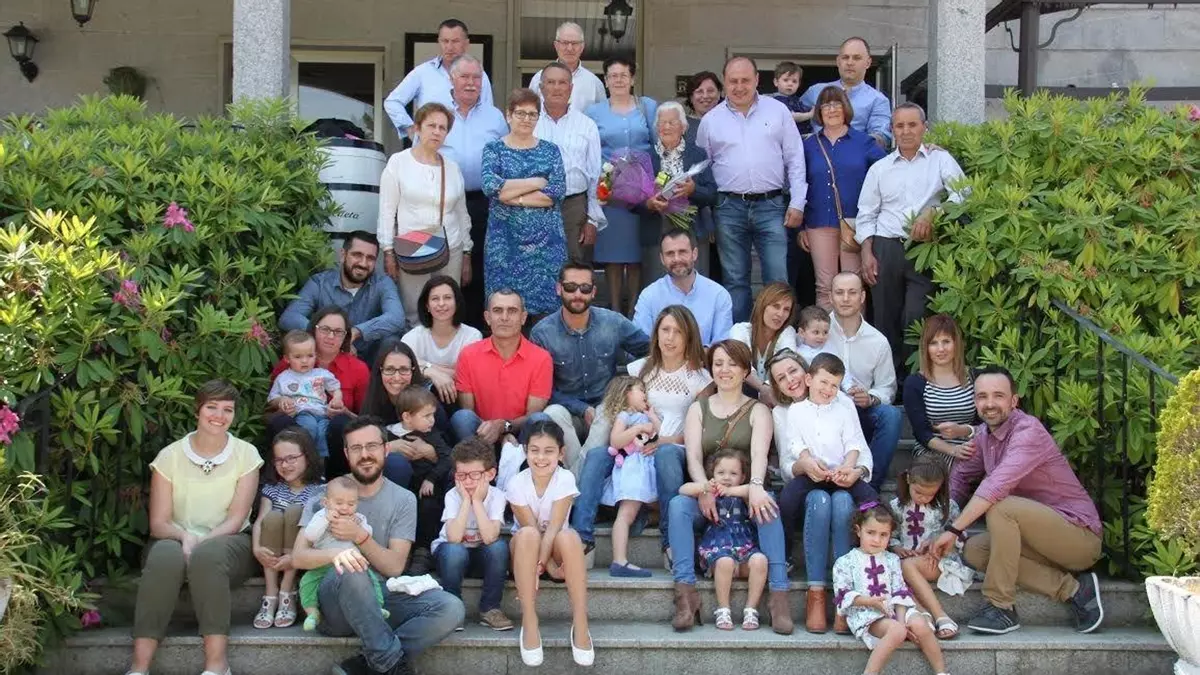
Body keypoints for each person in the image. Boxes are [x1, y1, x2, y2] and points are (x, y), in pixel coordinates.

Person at [931, 366, 1104, 636]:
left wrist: (953, 531)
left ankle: (1001, 605)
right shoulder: (985, 436)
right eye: (982, 396)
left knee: (1001, 506)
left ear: (1014, 401)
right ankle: (1074, 590)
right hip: (1036, 541)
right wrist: (941, 524)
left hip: (1078, 538)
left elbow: (994, 487)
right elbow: (961, 478)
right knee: (974, 550)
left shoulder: (1028, 431)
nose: (989, 404)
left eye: (998, 396)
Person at [292, 416, 464, 675]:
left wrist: (360, 537)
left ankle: (370, 663)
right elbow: (298, 557)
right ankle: (391, 665)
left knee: (451, 608)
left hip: (380, 597)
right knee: (351, 568)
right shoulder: (325, 496)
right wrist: (340, 553)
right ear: (346, 454)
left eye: (371, 446)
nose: (365, 455)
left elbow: (394, 567)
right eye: (356, 448)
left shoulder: (403, 499)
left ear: (385, 449)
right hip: (333, 602)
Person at [125, 380, 262, 675]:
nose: (219, 415)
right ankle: (139, 667)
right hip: (174, 539)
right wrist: (185, 536)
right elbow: (158, 524)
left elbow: (235, 519)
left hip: (229, 542)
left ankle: (217, 665)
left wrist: (200, 543)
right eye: (212, 407)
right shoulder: (170, 456)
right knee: (164, 557)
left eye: (228, 409)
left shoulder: (246, 454)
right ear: (197, 410)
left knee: (208, 557)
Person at [667, 340, 792, 634]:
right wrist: (703, 488)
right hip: (709, 492)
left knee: (767, 503)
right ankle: (685, 594)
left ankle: (779, 597)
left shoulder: (758, 410)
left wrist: (756, 486)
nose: (725, 370)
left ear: (746, 370)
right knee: (677, 505)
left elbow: (759, 454)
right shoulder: (698, 408)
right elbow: (693, 456)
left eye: (733, 364)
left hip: (744, 492)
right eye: (719, 363)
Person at [572, 305, 712, 568]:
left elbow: (702, 430)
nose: (670, 338)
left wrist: (665, 441)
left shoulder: (700, 378)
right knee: (597, 455)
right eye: (665, 330)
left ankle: (669, 541)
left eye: (678, 332)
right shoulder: (639, 369)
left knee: (666, 454)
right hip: (634, 448)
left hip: (675, 449)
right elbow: (617, 410)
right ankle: (583, 537)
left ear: (689, 337)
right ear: (656, 334)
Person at [857, 103, 967, 374]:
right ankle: (888, 382)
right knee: (885, 318)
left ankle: (915, 381)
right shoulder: (880, 168)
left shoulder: (940, 160)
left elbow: (964, 193)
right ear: (892, 130)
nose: (906, 131)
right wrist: (866, 252)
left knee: (917, 317)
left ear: (924, 128)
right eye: (899, 126)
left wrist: (934, 212)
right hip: (886, 248)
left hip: (924, 249)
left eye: (912, 125)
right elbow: (866, 213)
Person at [696, 56, 806, 323]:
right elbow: (701, 169)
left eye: (745, 80)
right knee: (734, 280)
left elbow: (795, 157)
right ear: (725, 83)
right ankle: (739, 340)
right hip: (728, 207)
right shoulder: (711, 120)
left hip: (772, 206)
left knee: (777, 279)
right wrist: (708, 215)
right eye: (733, 81)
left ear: (757, 80)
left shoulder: (778, 111)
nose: (739, 87)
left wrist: (797, 202)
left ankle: (779, 339)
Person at [777, 353, 879, 633]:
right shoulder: (796, 411)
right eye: (824, 383)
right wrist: (808, 461)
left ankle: (878, 548)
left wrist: (849, 468)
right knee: (787, 498)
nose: (828, 390)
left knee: (871, 499)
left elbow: (854, 442)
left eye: (834, 385)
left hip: (840, 475)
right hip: (813, 474)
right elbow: (795, 443)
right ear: (809, 379)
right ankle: (786, 553)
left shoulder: (843, 409)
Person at [532, 262, 650, 470]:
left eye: (585, 288)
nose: (578, 294)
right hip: (568, 411)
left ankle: (574, 480)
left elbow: (649, 349)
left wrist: (632, 385)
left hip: (606, 410)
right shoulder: (542, 333)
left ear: (594, 292)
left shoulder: (612, 322)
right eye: (570, 287)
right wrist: (582, 409)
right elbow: (543, 389)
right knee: (552, 413)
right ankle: (583, 478)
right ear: (559, 288)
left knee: (606, 411)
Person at [506, 421, 593, 667]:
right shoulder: (516, 483)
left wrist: (544, 566)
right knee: (528, 534)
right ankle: (529, 620)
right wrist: (546, 568)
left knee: (569, 536)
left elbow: (554, 527)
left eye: (549, 451)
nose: (541, 457)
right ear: (526, 451)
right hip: (525, 551)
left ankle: (581, 622)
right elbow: (533, 529)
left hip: (554, 548)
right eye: (534, 450)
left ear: (561, 453)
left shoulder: (565, 478)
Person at [378, 102, 473, 326]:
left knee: (447, 310)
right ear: (417, 128)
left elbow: (462, 213)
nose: (437, 132)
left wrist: (467, 253)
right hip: (412, 248)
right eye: (431, 125)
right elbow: (386, 211)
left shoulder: (452, 168)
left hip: (451, 248)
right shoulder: (398, 162)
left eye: (442, 128)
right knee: (414, 311)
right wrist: (388, 251)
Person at [481, 89, 568, 320]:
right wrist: (535, 182)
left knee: (546, 313)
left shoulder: (550, 151)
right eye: (520, 113)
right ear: (508, 115)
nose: (526, 119)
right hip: (504, 244)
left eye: (532, 114)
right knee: (504, 309)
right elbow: (491, 187)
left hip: (546, 247)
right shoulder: (494, 150)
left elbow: (555, 192)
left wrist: (512, 196)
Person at [832, 503, 949, 675]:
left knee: (920, 624)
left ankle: (941, 672)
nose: (877, 540)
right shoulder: (845, 562)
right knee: (897, 630)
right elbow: (843, 594)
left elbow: (900, 591)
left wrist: (901, 621)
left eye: (883, 534)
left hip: (895, 609)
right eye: (871, 533)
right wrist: (870, 602)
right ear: (858, 531)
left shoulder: (892, 560)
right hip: (867, 613)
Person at [799, 86, 887, 309]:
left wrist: (927, 147)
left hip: (855, 223)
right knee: (824, 286)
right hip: (818, 221)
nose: (832, 109)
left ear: (846, 108)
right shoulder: (808, 145)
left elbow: (890, 170)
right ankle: (824, 331)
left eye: (837, 104)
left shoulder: (864, 142)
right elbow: (798, 185)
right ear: (819, 111)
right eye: (826, 105)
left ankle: (854, 330)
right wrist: (801, 227)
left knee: (853, 286)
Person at [438, 53, 509, 327]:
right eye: (465, 77)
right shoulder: (438, 113)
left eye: (476, 78)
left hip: (485, 202)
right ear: (452, 79)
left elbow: (506, 158)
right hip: (444, 202)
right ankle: (448, 328)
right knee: (447, 266)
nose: (471, 83)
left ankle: (477, 331)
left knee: (479, 266)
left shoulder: (495, 117)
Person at [586, 57, 659, 315]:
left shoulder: (648, 107)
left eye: (623, 75)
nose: (618, 80)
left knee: (637, 253)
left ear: (632, 78)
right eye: (613, 76)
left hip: (642, 191)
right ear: (606, 81)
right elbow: (590, 150)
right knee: (613, 254)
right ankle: (615, 308)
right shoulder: (594, 112)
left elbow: (658, 143)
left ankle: (635, 309)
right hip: (611, 191)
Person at [267, 306, 371, 478]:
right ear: (313, 330)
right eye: (325, 329)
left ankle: (335, 478)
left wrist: (344, 411)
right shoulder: (288, 365)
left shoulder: (358, 369)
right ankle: (288, 478)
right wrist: (283, 407)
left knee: (340, 423)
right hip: (298, 420)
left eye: (338, 332)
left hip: (336, 435)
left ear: (345, 336)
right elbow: (269, 408)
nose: (331, 336)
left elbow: (366, 419)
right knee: (281, 421)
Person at [279, 231, 406, 362]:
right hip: (326, 358)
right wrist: (328, 335)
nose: (363, 263)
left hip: (371, 361)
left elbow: (397, 318)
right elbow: (289, 317)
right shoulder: (320, 283)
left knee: (392, 341)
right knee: (294, 336)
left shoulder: (383, 283)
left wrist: (355, 332)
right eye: (357, 255)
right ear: (343, 255)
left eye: (370, 258)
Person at [826, 272, 902, 491]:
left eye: (852, 292)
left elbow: (887, 387)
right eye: (839, 292)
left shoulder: (878, 341)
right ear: (830, 297)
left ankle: (869, 487)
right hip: (822, 415)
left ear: (862, 297)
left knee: (892, 415)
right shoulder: (817, 331)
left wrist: (870, 398)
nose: (845, 298)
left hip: (860, 414)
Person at [451, 289, 554, 445]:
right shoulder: (468, 355)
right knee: (462, 418)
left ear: (523, 318)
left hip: (520, 437)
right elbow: (469, 412)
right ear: (487, 317)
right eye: (498, 310)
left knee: (540, 419)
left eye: (512, 311)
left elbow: (532, 415)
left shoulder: (541, 358)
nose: (504, 317)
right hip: (481, 435)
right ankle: (477, 460)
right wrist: (497, 434)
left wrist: (504, 426)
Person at [681, 449, 769, 631]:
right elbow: (683, 489)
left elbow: (751, 488)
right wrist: (704, 487)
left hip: (744, 550)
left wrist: (730, 491)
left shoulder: (745, 495)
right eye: (721, 472)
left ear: (743, 476)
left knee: (760, 560)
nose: (727, 477)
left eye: (733, 473)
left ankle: (751, 610)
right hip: (718, 550)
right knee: (725, 562)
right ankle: (723, 609)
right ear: (712, 474)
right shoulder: (710, 493)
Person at [433, 438, 513, 631]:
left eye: (475, 475)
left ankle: (490, 608)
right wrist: (465, 502)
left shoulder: (497, 496)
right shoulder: (453, 495)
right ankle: (453, 610)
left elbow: (490, 537)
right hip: (451, 557)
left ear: (490, 474)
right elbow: (453, 538)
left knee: (499, 548)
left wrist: (476, 501)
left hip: (480, 555)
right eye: (462, 475)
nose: (468, 481)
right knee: (455, 551)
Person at [889, 455, 970, 640]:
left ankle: (940, 615)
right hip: (905, 561)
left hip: (937, 562)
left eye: (930, 494)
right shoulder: (896, 507)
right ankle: (921, 613)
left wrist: (938, 543)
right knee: (894, 568)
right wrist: (897, 548)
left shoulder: (948, 507)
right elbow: (890, 535)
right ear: (908, 479)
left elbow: (960, 535)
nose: (923, 498)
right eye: (918, 492)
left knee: (906, 566)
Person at [251, 428, 325, 630]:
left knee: (294, 512)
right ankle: (271, 592)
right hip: (271, 552)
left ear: (307, 456)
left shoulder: (320, 490)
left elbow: (315, 530)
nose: (285, 465)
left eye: (291, 458)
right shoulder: (272, 489)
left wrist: (294, 557)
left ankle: (287, 588)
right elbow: (260, 521)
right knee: (273, 517)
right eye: (279, 460)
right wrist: (257, 548)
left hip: (301, 551)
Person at [296, 476, 390, 632]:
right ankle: (312, 613)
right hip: (323, 565)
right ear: (326, 502)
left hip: (352, 563)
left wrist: (358, 529)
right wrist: (325, 520)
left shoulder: (358, 518)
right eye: (339, 503)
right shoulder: (320, 516)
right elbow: (310, 535)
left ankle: (376, 607)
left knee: (372, 581)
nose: (345, 508)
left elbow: (369, 533)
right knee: (306, 582)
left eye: (351, 504)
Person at [535, 61, 604, 265]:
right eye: (551, 82)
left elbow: (595, 174)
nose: (556, 88)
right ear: (541, 88)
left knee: (574, 265)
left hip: (574, 206)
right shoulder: (529, 123)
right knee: (537, 264)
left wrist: (592, 219)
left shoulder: (587, 125)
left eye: (562, 83)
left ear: (571, 88)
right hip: (535, 204)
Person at [381, 386, 454, 575]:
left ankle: (422, 553)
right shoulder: (387, 434)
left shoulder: (432, 435)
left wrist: (431, 478)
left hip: (425, 489)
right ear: (407, 417)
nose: (432, 420)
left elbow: (449, 458)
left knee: (428, 508)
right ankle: (398, 552)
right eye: (426, 416)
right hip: (399, 488)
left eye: (433, 415)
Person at [642, 101, 717, 279]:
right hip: (657, 227)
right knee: (658, 281)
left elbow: (712, 194)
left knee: (695, 281)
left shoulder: (698, 154)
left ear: (683, 127)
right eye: (662, 123)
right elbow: (634, 202)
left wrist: (693, 190)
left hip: (692, 227)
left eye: (672, 122)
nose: (666, 127)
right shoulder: (646, 157)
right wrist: (649, 204)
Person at [384, 18, 494, 139]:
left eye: (455, 41)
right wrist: (410, 128)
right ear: (438, 42)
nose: (449, 47)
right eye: (445, 41)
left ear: (466, 44)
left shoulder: (479, 75)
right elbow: (392, 102)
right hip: (431, 147)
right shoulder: (422, 72)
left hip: (469, 145)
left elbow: (487, 113)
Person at [599, 376, 660, 578]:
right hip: (633, 470)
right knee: (626, 515)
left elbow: (660, 433)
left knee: (656, 507)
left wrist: (652, 417)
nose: (645, 395)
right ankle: (619, 560)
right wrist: (638, 428)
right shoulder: (625, 416)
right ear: (627, 392)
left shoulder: (645, 415)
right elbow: (616, 441)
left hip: (646, 469)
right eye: (641, 390)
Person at [633, 228, 733, 347]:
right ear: (662, 259)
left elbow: (722, 347)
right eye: (670, 254)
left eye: (682, 252)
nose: (677, 259)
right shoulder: (649, 296)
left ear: (694, 254)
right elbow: (640, 347)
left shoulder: (719, 295)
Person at [904, 314, 977, 470]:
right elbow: (922, 433)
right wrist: (953, 450)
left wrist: (964, 430)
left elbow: (987, 423)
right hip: (932, 453)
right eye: (934, 343)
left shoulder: (974, 377)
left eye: (946, 342)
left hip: (971, 448)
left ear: (956, 344)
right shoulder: (915, 383)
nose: (941, 349)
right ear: (926, 347)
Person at [401, 275, 484, 407]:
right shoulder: (413, 336)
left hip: (461, 403)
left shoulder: (472, 336)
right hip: (422, 406)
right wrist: (432, 372)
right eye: (435, 299)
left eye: (447, 298)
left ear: (457, 303)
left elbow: (470, 376)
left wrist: (424, 366)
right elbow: (402, 367)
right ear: (427, 305)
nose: (441, 304)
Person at [799, 37, 893, 147]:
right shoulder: (815, 91)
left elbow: (881, 137)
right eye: (845, 57)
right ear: (838, 61)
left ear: (868, 63)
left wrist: (846, 144)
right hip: (814, 154)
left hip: (856, 155)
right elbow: (790, 122)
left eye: (857, 58)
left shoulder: (878, 100)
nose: (850, 62)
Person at [268, 330, 344, 459]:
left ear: (316, 355)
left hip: (323, 413)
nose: (305, 361)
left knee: (324, 434)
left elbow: (335, 388)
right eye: (298, 357)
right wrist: (282, 399)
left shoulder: (321, 373)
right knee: (309, 428)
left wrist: (337, 398)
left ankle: (321, 462)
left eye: (310, 356)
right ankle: (307, 458)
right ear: (287, 358)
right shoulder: (284, 377)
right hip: (302, 412)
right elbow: (272, 398)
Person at [683, 70, 724, 280]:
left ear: (720, 93)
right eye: (699, 91)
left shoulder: (729, 122)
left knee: (726, 264)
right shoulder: (683, 126)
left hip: (727, 200)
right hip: (697, 205)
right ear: (691, 96)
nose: (705, 96)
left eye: (711, 91)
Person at [729, 282, 798, 406]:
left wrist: (768, 391)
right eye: (776, 306)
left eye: (786, 309)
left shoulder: (788, 332)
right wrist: (763, 388)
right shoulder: (740, 330)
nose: (780, 314)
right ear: (763, 305)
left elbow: (786, 364)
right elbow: (741, 363)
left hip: (776, 399)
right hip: (741, 398)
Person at [527, 22, 607, 111]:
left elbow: (602, 115)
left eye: (574, 43)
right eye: (565, 43)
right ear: (556, 45)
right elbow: (529, 111)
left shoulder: (594, 83)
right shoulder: (539, 79)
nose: (569, 48)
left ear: (582, 47)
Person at [771, 61, 813, 134]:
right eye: (786, 80)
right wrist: (809, 115)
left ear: (799, 84)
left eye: (794, 81)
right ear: (776, 82)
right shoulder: (778, 100)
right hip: (789, 137)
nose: (790, 84)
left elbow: (805, 109)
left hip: (803, 135)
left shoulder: (796, 100)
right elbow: (790, 116)